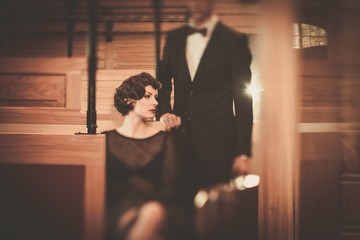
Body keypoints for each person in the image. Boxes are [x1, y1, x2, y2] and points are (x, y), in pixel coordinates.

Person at [157, 0, 253, 208]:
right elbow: (161, 82)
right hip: (180, 141)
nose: (196, 3)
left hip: (219, 144)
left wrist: (242, 152)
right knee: (181, 208)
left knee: (216, 211)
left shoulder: (234, 40)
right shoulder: (174, 38)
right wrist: (164, 112)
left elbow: (243, 96)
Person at [102, 72, 183, 240]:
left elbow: (170, 190)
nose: (156, 102)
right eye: (147, 96)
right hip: (116, 213)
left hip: (158, 211)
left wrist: (143, 211)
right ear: (128, 100)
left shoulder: (164, 140)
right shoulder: (106, 140)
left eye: (155, 97)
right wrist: (130, 214)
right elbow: (100, 188)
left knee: (152, 212)